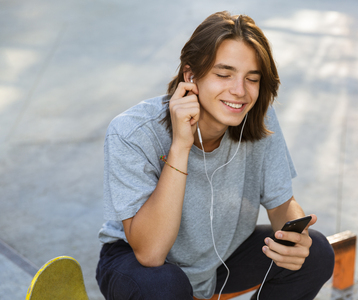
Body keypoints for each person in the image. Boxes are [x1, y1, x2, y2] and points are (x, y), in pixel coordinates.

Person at [96, 11, 334, 300]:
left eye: (252, 79)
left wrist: (296, 239)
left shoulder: (258, 118)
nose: (239, 92)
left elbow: (282, 204)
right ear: (191, 75)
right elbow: (150, 254)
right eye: (224, 74)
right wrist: (181, 145)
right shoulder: (131, 132)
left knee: (317, 253)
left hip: (222, 256)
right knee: (162, 285)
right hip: (138, 264)